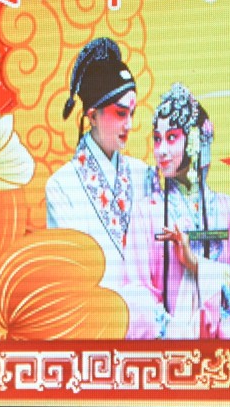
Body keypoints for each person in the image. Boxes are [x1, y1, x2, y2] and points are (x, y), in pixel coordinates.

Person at [123, 83, 230, 339]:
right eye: (157, 139)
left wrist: (195, 264)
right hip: (166, 351)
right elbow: (136, 293)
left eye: (172, 137)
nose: (161, 150)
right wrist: (177, 333)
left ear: (194, 139)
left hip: (220, 352)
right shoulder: (146, 213)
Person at [45, 37, 152, 291]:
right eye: (120, 113)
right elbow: (70, 273)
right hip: (95, 311)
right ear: (92, 116)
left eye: (132, 113)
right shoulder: (61, 186)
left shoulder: (143, 174)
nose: (129, 124)